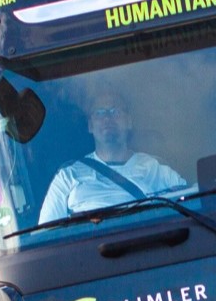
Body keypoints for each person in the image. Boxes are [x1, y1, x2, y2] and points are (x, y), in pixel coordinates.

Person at [37, 91, 187, 223]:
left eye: (115, 112)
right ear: (90, 126)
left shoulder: (155, 167)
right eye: (100, 113)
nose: (107, 118)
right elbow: (45, 235)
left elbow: (190, 205)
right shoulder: (68, 176)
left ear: (129, 121)